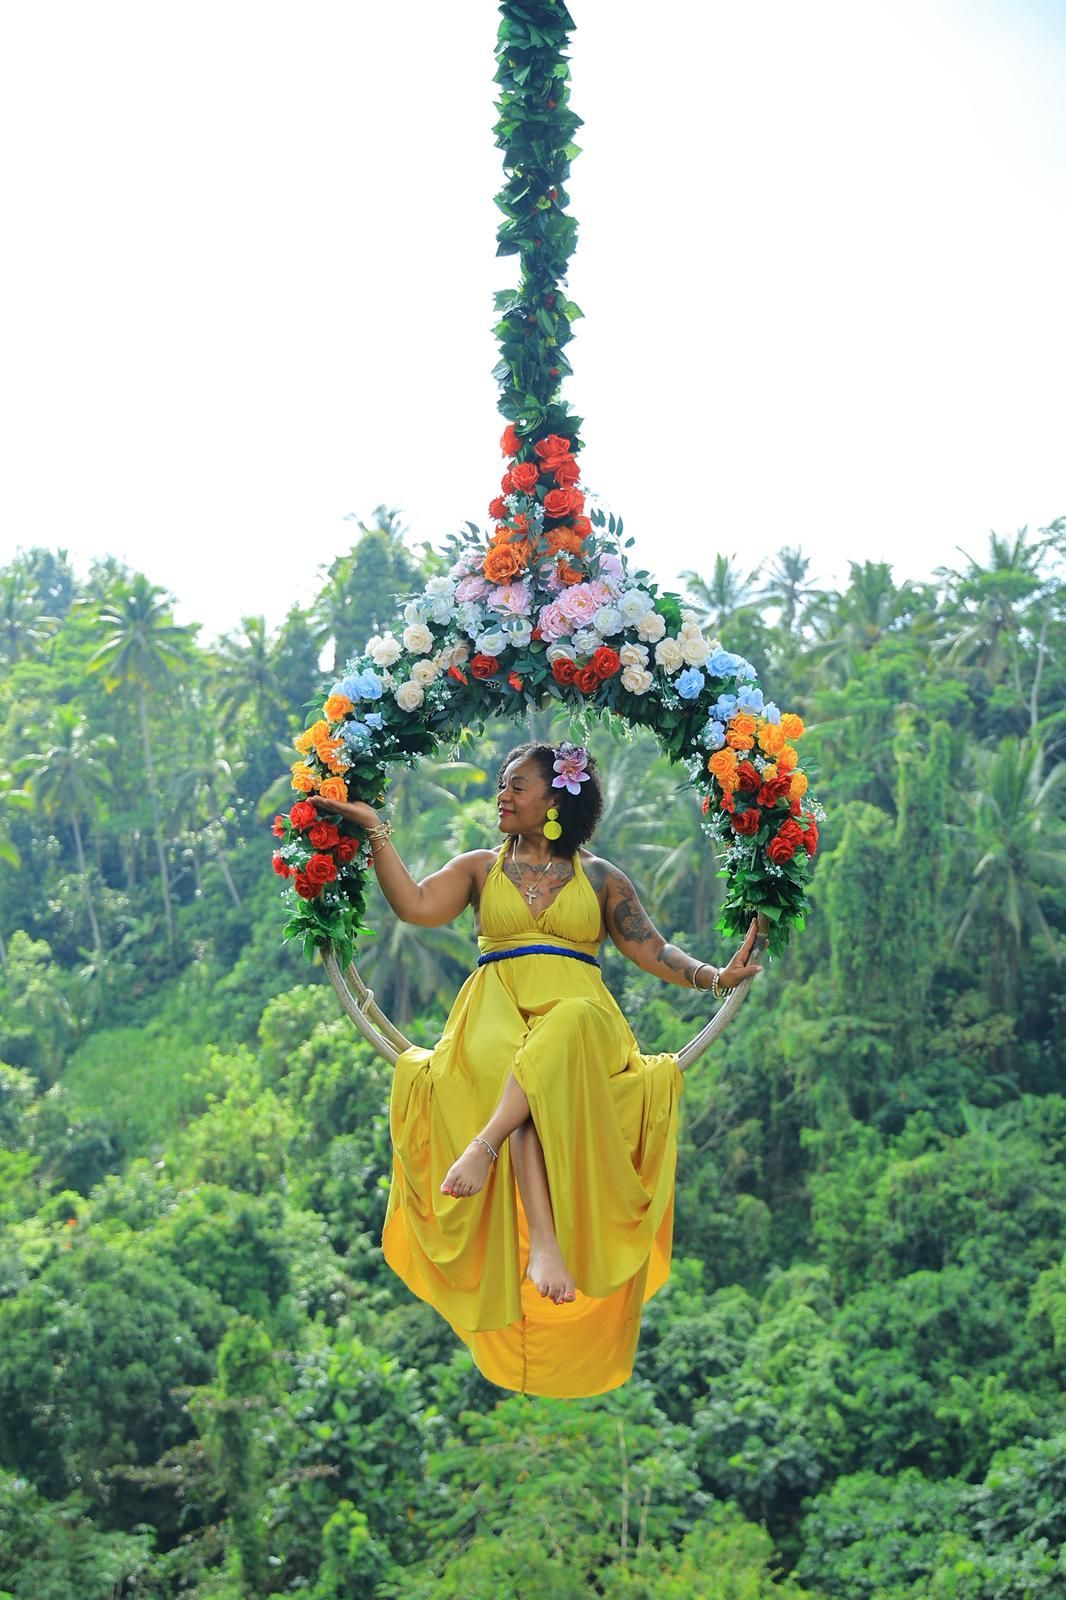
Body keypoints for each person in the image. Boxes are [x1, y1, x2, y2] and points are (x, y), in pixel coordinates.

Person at [308, 739, 762, 1398]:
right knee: (512, 1064)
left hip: (581, 1027)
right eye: (501, 783)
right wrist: (376, 830)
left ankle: (486, 1146)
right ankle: (538, 1231)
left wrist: (715, 977)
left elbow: (652, 948)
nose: (503, 794)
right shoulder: (476, 869)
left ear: (555, 797)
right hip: (493, 1017)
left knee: (566, 1029)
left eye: (516, 785)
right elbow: (416, 906)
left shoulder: (601, 879)